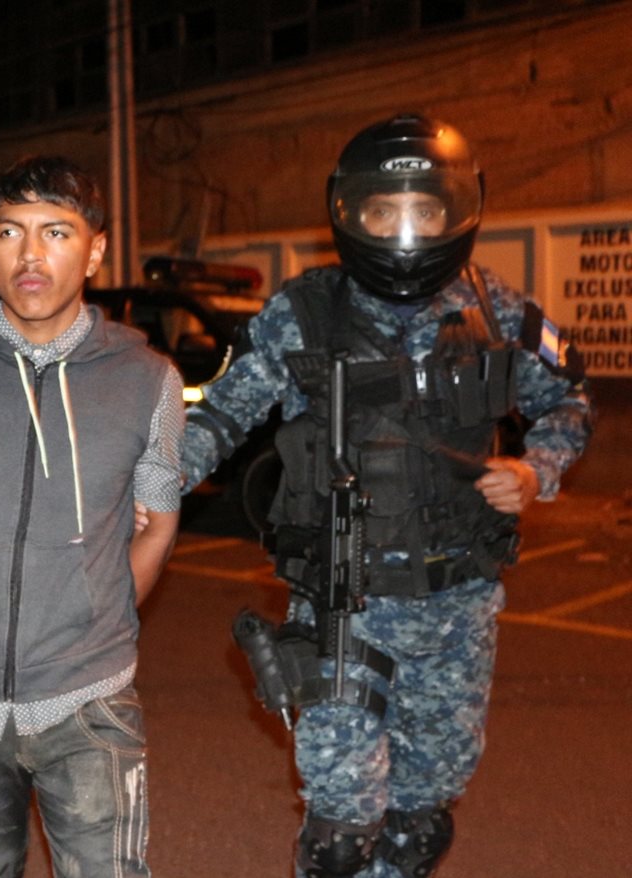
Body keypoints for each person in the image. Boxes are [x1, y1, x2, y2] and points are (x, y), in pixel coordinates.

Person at [181, 114, 592, 878]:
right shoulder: (304, 313)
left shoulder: (495, 308)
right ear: (350, 214)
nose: (405, 230)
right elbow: (220, 416)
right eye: (383, 211)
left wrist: (538, 468)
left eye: (424, 210)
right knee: (342, 831)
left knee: (420, 820)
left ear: (457, 211)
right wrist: (143, 487)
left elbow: (568, 399)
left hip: (458, 608)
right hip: (345, 604)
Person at [0, 155, 183, 877]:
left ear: (95, 251)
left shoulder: (150, 381)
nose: (31, 255)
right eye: (11, 232)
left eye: (56, 232)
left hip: (89, 696)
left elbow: (158, 525)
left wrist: (91, 609)